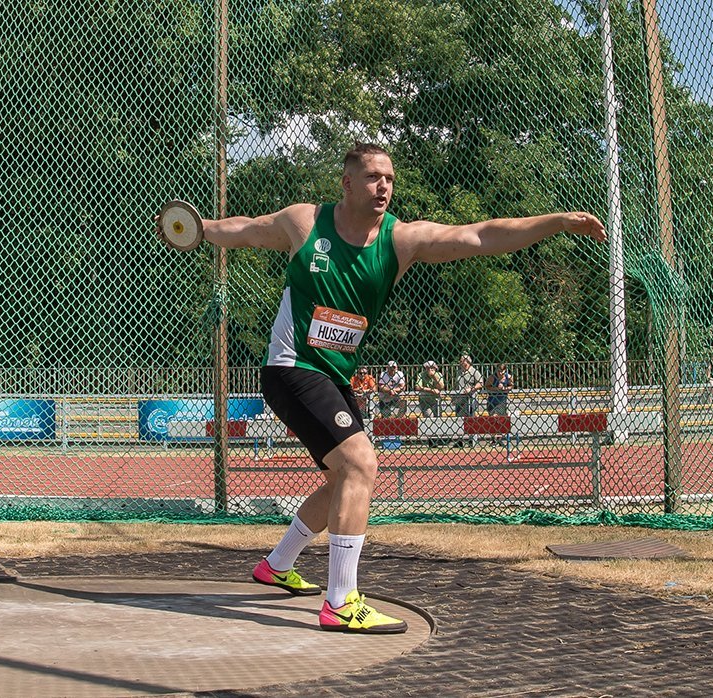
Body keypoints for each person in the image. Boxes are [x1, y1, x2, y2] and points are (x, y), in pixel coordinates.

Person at [179, 142, 606, 633]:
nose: (383, 186)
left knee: (342, 480)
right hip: (291, 367)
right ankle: (341, 602)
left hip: (334, 376)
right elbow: (247, 230)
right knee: (360, 463)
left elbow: (481, 235)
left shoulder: (401, 239)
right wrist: (197, 228)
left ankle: (276, 565)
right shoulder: (304, 223)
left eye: (389, 178)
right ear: (347, 183)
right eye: (373, 177)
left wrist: (556, 222)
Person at [453, 354, 483, 418]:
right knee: (459, 418)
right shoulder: (459, 372)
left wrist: (471, 389)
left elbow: (480, 383)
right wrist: (454, 397)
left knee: (471, 418)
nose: (460, 363)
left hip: (471, 399)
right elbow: (456, 385)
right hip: (460, 400)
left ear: (467, 362)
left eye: (461, 361)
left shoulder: (474, 371)